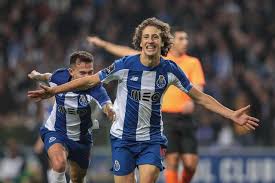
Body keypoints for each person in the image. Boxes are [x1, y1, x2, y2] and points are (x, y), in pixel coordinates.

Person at [28, 18, 259, 183]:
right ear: (140, 42)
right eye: (146, 37)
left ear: (162, 42)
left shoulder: (170, 70)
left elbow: (199, 97)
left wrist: (230, 114)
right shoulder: (124, 66)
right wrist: (55, 91)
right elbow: (91, 81)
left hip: (152, 139)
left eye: (155, 37)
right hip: (122, 139)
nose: (150, 40)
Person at [87, 27, 205, 183]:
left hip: (186, 118)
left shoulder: (191, 62)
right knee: (173, 159)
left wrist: (191, 102)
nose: (185, 42)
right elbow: (125, 52)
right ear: (171, 41)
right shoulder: (154, 58)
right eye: (181, 39)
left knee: (190, 164)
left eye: (186, 39)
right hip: (165, 116)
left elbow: (198, 88)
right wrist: (103, 44)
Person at [28, 51, 115, 183]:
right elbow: (49, 77)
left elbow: (106, 102)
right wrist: (38, 76)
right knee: (59, 165)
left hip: (82, 139)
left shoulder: (96, 87)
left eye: (90, 72)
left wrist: (110, 110)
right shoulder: (60, 76)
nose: (87, 77)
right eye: (82, 73)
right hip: (56, 131)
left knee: (77, 179)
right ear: (71, 72)